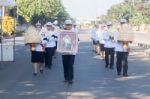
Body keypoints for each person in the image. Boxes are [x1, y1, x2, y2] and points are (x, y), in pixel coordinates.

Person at [61, 20, 78, 84]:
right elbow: (59, 40)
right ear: (65, 25)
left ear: (72, 25)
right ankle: (66, 77)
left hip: (72, 51)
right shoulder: (62, 32)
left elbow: (78, 41)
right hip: (64, 51)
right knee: (65, 65)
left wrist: (74, 44)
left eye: (69, 25)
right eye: (67, 25)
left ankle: (70, 78)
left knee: (70, 65)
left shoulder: (75, 32)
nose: (68, 26)